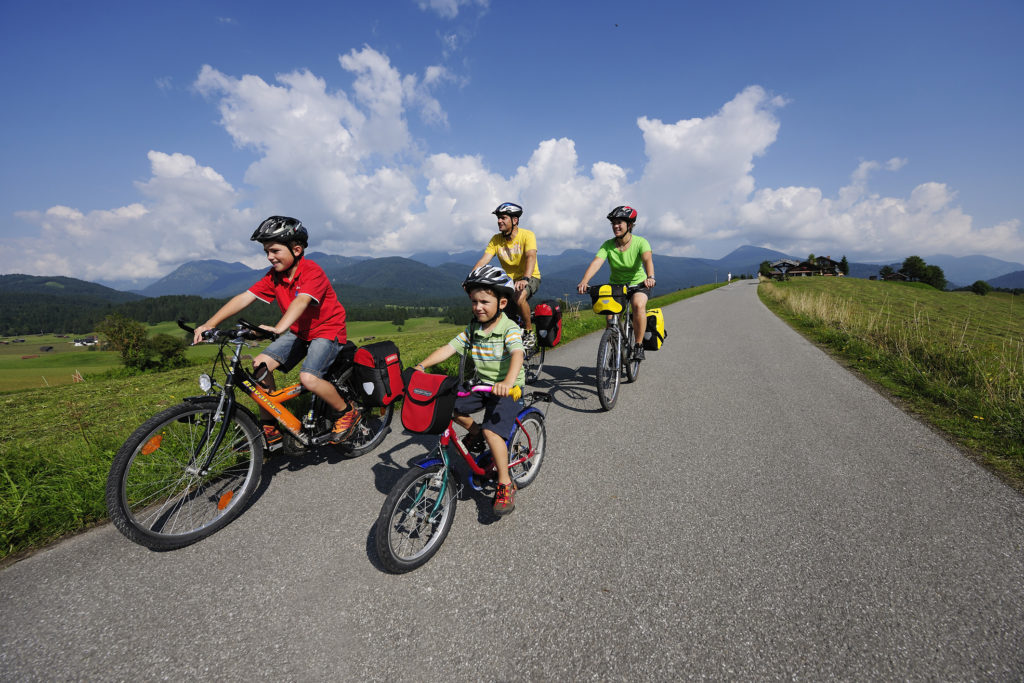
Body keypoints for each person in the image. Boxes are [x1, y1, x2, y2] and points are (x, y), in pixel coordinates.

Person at [193, 216, 360, 445]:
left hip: (327, 331)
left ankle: (346, 412)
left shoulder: (312, 271)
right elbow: (245, 297)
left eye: (274, 250)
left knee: (309, 378)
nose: (270, 257)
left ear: (297, 249)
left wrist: (278, 328)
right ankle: (270, 429)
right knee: (260, 365)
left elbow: (301, 301)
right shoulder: (275, 277)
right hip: (300, 331)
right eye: (266, 252)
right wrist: (210, 324)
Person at [412, 265, 525, 516]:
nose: (478, 307)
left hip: (508, 388)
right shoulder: (473, 329)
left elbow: (517, 354)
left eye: (484, 301)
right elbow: (449, 348)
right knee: (446, 404)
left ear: (503, 302)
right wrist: (421, 366)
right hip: (482, 384)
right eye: (474, 301)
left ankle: (505, 482)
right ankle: (474, 432)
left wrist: (507, 382)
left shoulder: (509, 328)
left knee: (492, 432)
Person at [576, 205, 656, 361]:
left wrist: (650, 276)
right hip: (616, 286)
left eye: (619, 222)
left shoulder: (641, 242)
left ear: (630, 225)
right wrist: (584, 281)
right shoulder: (608, 245)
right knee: (610, 319)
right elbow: (596, 262)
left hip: (638, 284)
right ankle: (614, 346)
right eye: (613, 223)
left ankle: (639, 345)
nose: (615, 226)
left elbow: (647, 260)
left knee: (638, 305)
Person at [472, 202, 541, 351]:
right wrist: (471, 277)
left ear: (514, 220)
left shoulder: (527, 235)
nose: (499, 221)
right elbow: (484, 259)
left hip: (530, 276)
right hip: (508, 281)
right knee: (495, 306)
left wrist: (525, 278)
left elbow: (530, 256)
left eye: (503, 218)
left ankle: (529, 332)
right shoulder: (496, 239)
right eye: (498, 218)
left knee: (519, 297)